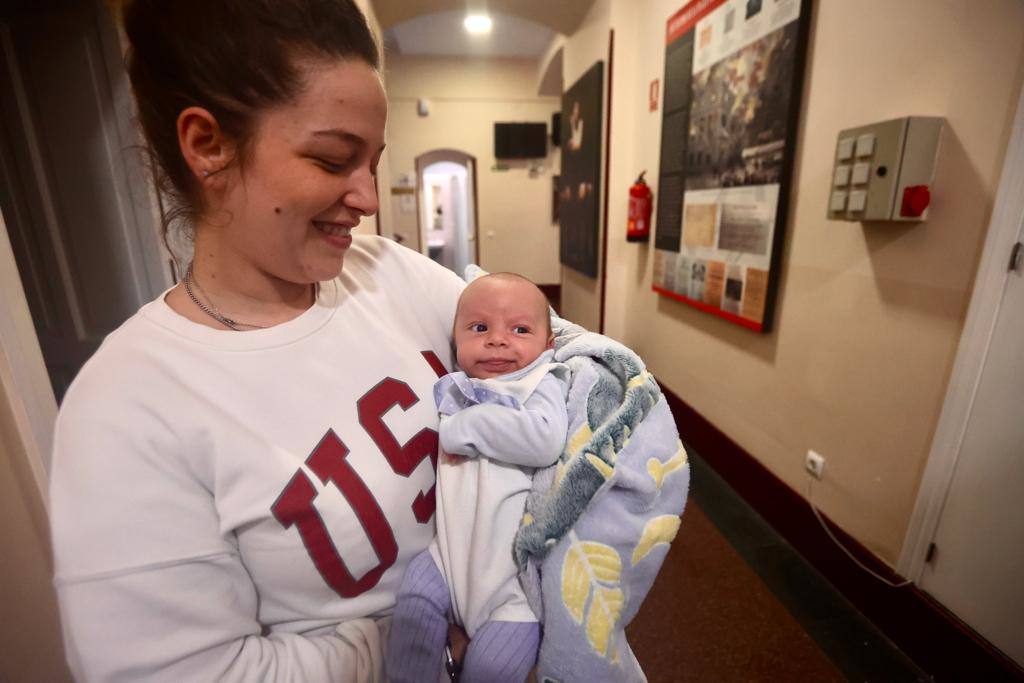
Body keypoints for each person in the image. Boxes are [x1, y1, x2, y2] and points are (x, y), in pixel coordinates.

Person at [48, 1, 469, 680]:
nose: (365, 195)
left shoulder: (391, 273)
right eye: (334, 159)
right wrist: (428, 637)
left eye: (373, 160)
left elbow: (535, 354)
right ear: (208, 146)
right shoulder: (124, 408)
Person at [387, 273, 570, 683]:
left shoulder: (539, 384)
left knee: (492, 668)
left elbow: (543, 440)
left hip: (512, 586)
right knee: (413, 611)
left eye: (520, 329)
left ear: (548, 344)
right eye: (479, 328)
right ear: (455, 340)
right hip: (446, 557)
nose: (498, 340)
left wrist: (460, 429)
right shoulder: (456, 387)